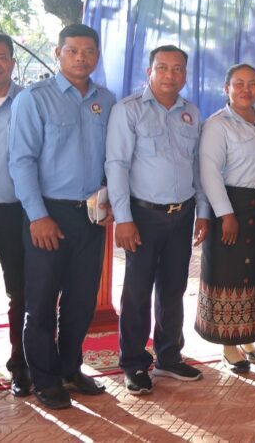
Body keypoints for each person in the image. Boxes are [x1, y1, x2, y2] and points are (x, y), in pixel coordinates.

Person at [8, 24, 115, 409]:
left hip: (91, 215)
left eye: (89, 51)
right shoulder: (35, 99)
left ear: (97, 55)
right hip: (48, 214)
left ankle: (70, 368)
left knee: (81, 301)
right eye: (72, 51)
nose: (81, 58)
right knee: (40, 303)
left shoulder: (107, 100)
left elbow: (113, 159)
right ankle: (45, 378)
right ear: (58, 54)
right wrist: (37, 216)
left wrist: (112, 200)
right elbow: (21, 161)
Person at [106, 44, 210, 396]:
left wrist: (203, 212)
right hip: (143, 215)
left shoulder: (191, 112)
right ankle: (134, 363)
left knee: (173, 288)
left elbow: (197, 166)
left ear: (185, 74)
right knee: (137, 291)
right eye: (162, 67)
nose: (170, 75)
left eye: (177, 68)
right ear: (148, 71)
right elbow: (117, 165)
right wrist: (123, 218)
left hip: (182, 214)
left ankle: (168, 356)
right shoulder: (129, 110)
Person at [196, 64, 255, 374]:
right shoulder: (217, 124)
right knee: (227, 273)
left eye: (252, 83)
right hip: (230, 206)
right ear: (226, 88)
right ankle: (229, 346)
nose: (245, 89)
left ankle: (249, 339)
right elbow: (209, 172)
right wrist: (225, 214)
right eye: (238, 84)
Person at [0, 33, 29, 397]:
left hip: (19, 213)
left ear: (12, 62)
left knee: (22, 292)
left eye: (1, 57)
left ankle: (22, 366)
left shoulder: (29, 102)